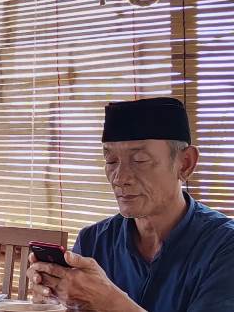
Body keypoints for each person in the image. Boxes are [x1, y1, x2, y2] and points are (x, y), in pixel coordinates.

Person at [27, 97, 234, 312]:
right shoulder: (94, 241)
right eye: (111, 161)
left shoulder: (224, 247)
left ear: (185, 164)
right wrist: (52, 301)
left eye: (140, 160)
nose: (120, 177)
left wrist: (109, 302)